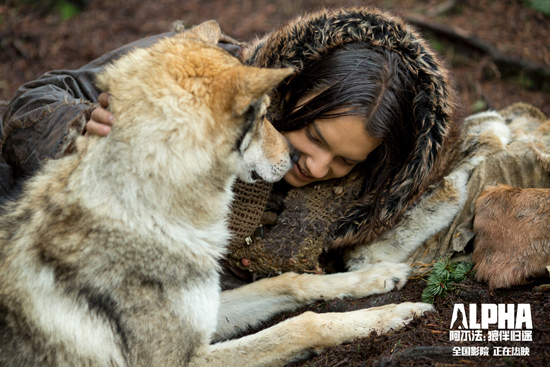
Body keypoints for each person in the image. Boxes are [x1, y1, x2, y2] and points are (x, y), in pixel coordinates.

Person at [0, 7, 460, 288]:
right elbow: (32, 99)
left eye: (346, 161)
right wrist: (78, 129)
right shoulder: (205, 71)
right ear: (291, 90)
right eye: (314, 136)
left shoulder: (348, 214)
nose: (317, 167)